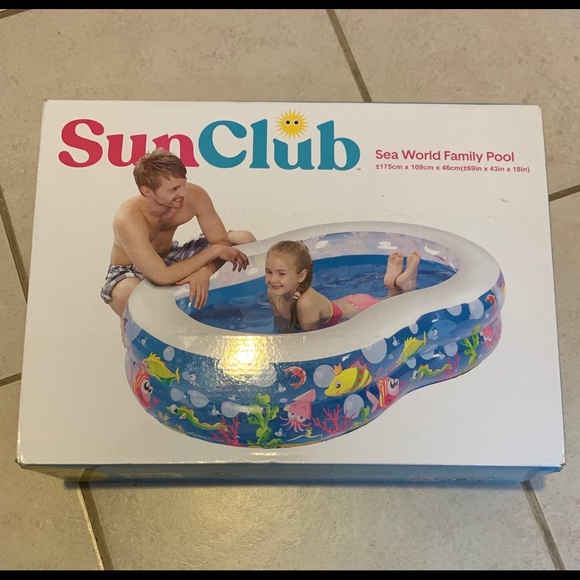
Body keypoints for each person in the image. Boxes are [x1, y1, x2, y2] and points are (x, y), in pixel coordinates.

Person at [101, 148, 256, 317]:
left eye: (183, 184)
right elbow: (162, 276)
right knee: (127, 294)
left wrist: (205, 271)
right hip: (132, 269)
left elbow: (222, 244)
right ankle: (135, 325)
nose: (183, 192)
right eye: (174, 189)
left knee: (243, 239)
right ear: (147, 191)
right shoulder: (128, 219)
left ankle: (227, 307)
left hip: (170, 256)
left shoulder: (195, 195)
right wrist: (213, 251)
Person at [265, 240, 420, 332]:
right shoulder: (273, 294)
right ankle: (394, 284)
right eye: (268, 272)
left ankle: (407, 283)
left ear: (301, 275)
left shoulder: (306, 303)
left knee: (394, 304)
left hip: (358, 308)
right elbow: (281, 326)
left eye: (281, 273)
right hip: (345, 302)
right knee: (391, 298)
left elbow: (312, 342)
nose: (273, 279)